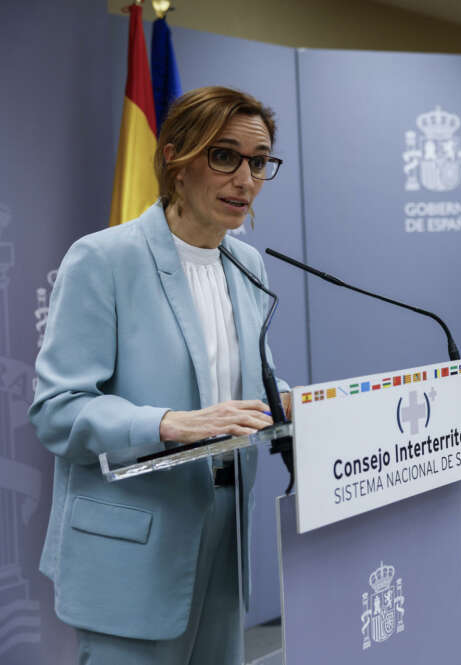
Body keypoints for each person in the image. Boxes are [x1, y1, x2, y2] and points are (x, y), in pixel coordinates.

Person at [29, 86, 289, 665]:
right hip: (135, 538)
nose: (245, 178)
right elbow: (58, 410)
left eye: (259, 161)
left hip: (226, 528)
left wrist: (297, 402)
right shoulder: (103, 259)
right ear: (175, 156)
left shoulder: (247, 263)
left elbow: (253, 384)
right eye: (224, 156)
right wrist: (170, 423)